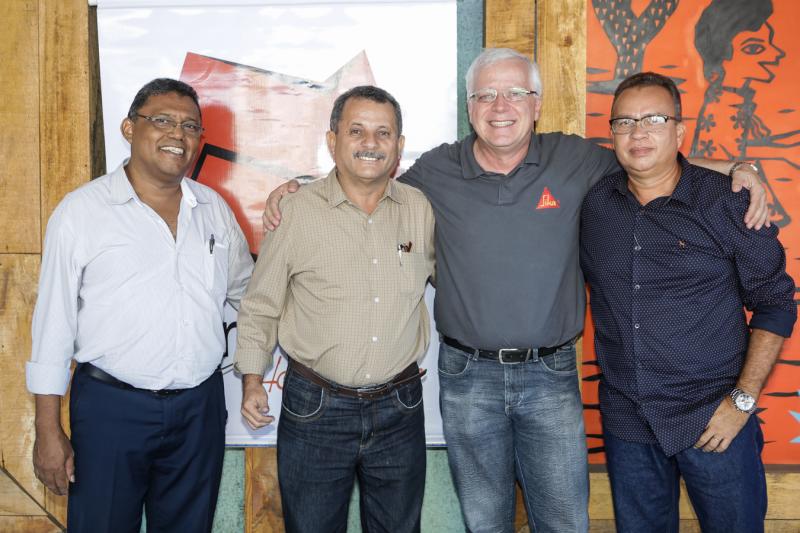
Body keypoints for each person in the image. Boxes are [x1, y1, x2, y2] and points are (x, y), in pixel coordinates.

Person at [262, 49, 768, 532]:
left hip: (551, 375)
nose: (499, 106)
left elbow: (653, 160)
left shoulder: (574, 159)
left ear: (537, 104)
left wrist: (739, 171)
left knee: (564, 521)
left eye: (515, 93)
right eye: (485, 95)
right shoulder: (435, 171)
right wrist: (298, 191)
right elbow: (367, 180)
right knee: (485, 522)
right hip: (466, 379)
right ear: (469, 108)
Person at [27, 78, 253, 533]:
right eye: (163, 120)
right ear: (129, 128)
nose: (178, 134)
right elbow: (53, 326)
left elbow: (250, 297)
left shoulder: (213, 209)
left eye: (190, 126)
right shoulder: (82, 212)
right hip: (111, 408)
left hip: (199, 410)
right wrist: (48, 430)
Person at [580, 71, 795, 532]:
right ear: (612, 134)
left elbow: (776, 301)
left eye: (654, 120)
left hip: (714, 418)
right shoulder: (595, 205)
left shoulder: (726, 202)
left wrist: (741, 402)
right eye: (625, 122)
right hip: (629, 422)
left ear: (679, 132)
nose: (638, 133)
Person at [234, 85, 435, 533]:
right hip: (316, 408)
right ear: (332, 140)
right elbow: (261, 304)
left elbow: (454, 280)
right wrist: (251, 380)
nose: (370, 143)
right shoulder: (295, 211)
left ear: (399, 145)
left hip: (400, 407)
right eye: (356, 131)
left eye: (383, 133)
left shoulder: (419, 210)